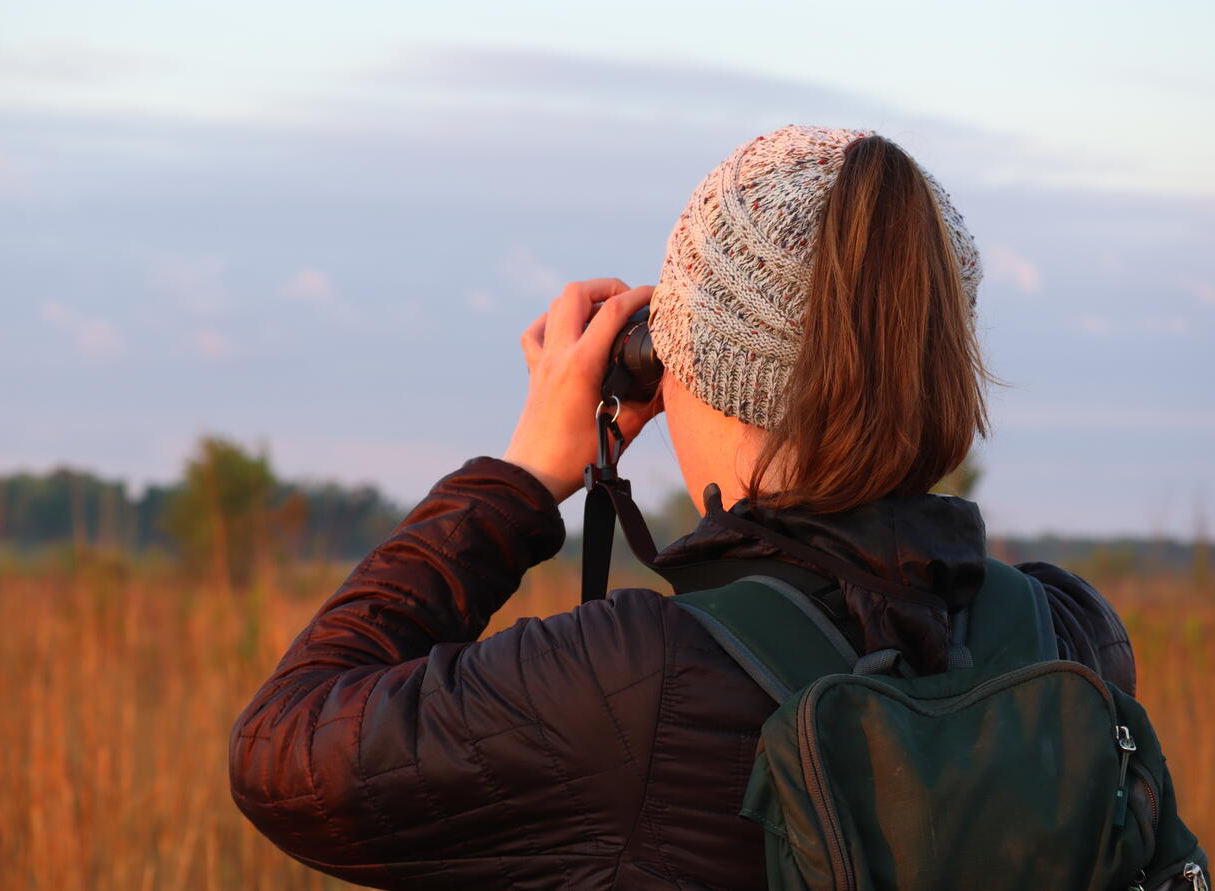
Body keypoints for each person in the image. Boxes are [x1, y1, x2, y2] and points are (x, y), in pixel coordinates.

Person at [228, 125, 1138, 889]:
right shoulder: (1068, 634)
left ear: (692, 369)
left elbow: (284, 750)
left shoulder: (637, 685)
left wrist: (520, 478)